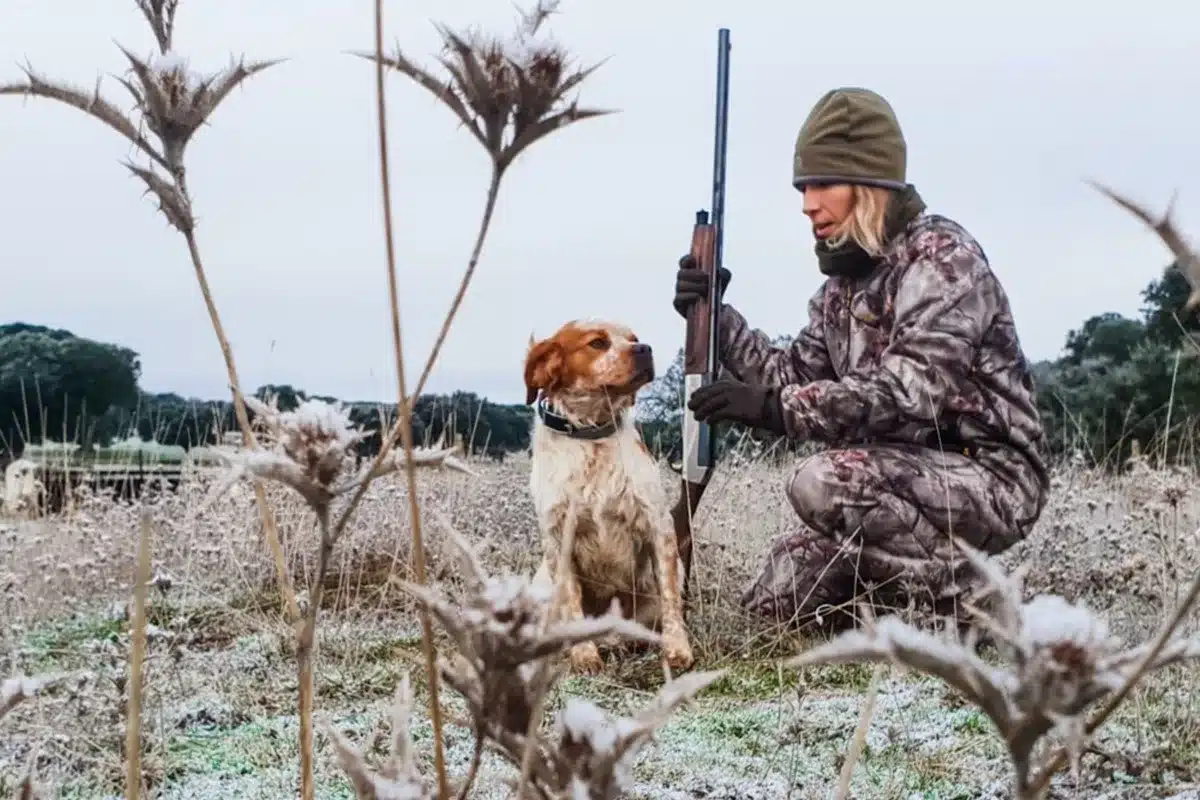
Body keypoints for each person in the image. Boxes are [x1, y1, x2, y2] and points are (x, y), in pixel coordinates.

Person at [674, 87, 1050, 629]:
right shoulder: (843, 286)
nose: (807, 203)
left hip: (988, 477)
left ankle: (970, 604)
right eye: (804, 187)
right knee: (775, 605)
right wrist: (713, 316)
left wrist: (772, 409)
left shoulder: (943, 261)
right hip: (895, 479)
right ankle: (890, 607)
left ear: (871, 182)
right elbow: (789, 377)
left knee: (821, 482)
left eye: (823, 184)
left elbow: (908, 393)